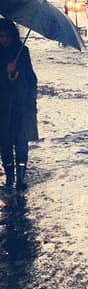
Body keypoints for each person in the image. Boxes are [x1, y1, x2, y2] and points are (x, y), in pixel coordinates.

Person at [0, 18, 38, 191]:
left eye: (5, 36)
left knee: (21, 141)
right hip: (2, 106)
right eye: (0, 36)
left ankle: (21, 177)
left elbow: (31, 78)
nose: (3, 39)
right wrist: (5, 73)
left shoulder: (23, 52)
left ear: (12, 35)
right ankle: (9, 177)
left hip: (21, 104)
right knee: (5, 142)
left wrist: (31, 100)